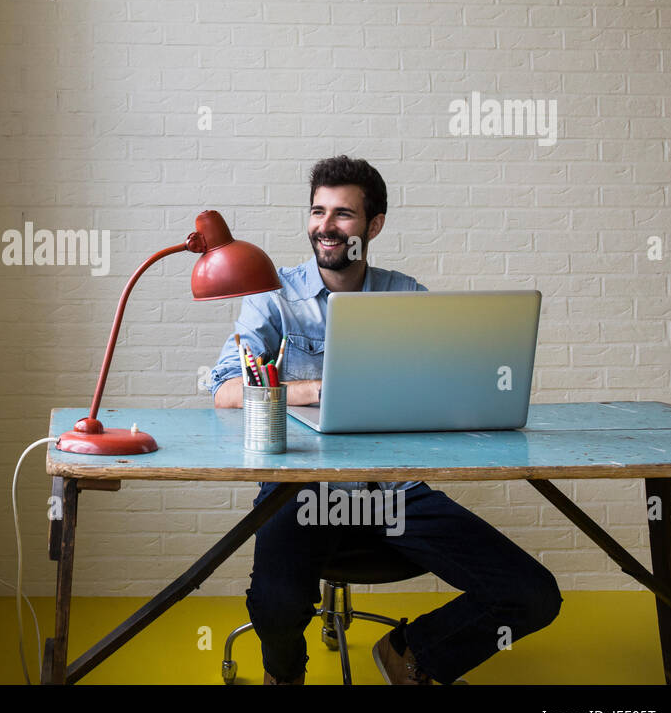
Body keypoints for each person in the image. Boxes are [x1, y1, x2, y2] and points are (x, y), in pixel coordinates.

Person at [208, 155, 562, 684]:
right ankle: (284, 676)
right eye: (317, 211)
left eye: (343, 214)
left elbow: (439, 393)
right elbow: (227, 391)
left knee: (530, 593)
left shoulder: (407, 297)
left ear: (373, 226)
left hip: (396, 491)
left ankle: (410, 652)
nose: (325, 226)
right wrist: (319, 388)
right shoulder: (273, 296)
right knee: (276, 603)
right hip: (299, 490)